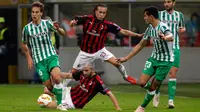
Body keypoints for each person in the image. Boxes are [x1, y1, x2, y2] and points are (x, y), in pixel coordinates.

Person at [69, 4, 143, 85]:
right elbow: (73, 22)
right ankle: (61, 87)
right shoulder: (87, 19)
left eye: (104, 13)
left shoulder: (107, 25)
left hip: (100, 50)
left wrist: (138, 35)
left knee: (117, 63)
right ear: (95, 12)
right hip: (85, 53)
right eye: (100, 12)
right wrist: (72, 23)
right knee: (73, 73)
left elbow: (123, 31)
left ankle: (126, 77)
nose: (102, 15)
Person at [117, 6, 174, 112]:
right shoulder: (149, 29)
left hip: (165, 61)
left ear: (151, 17)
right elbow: (141, 45)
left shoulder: (163, 27)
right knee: (142, 83)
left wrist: (165, 38)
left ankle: (142, 107)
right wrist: (126, 58)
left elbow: (171, 36)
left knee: (153, 86)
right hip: (153, 59)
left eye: (145, 16)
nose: (144, 18)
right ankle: (155, 90)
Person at [21, 1, 67, 111]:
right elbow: (23, 43)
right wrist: (28, 57)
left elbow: (62, 33)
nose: (34, 14)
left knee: (56, 77)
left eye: (37, 12)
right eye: (32, 12)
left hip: (51, 56)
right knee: (49, 86)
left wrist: (58, 28)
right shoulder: (27, 28)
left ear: (41, 13)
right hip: (38, 60)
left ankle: (60, 104)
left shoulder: (47, 24)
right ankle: (60, 93)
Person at [43, 62, 122, 111]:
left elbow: (110, 93)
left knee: (48, 105)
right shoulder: (82, 73)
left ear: (92, 70)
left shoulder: (98, 82)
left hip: (73, 103)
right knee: (46, 90)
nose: (84, 72)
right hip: (69, 92)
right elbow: (68, 75)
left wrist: (117, 108)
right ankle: (56, 96)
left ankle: (54, 99)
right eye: (83, 70)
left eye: (86, 70)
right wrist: (55, 74)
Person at [153, 0, 186, 108]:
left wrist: (182, 30)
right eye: (165, 2)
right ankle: (156, 92)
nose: (166, 4)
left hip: (175, 46)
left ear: (174, 3)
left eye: (168, 2)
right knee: (161, 74)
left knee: (173, 73)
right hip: (163, 48)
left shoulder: (179, 15)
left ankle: (171, 101)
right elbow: (155, 26)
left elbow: (182, 27)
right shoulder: (160, 14)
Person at [0, 17, 11, 83]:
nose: (1, 25)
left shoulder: (6, 30)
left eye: (2, 23)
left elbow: (8, 41)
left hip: (3, 51)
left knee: (4, 66)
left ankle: (4, 80)